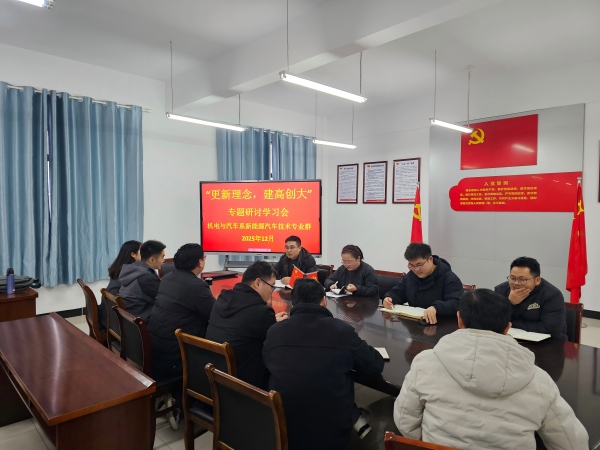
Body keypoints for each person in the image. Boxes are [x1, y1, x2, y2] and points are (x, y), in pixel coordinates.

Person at [394, 289, 588, 450]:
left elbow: (404, 420)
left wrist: (428, 443)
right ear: (507, 328)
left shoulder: (426, 362)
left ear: (459, 320)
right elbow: (573, 443)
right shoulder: (539, 380)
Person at [263, 279, 384, 449]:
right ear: (324, 301)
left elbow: (267, 362)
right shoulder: (341, 331)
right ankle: (356, 417)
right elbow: (374, 366)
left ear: (293, 303)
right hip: (331, 428)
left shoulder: (274, 331)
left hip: (284, 422)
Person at [205, 260, 288, 389]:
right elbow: (275, 347)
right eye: (271, 286)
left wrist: (272, 321)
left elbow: (244, 325)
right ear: (258, 283)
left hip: (214, 377)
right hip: (244, 387)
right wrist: (277, 325)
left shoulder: (222, 298)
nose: (272, 291)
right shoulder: (261, 312)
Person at [149, 243, 215, 382]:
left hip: (158, 349)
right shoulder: (196, 286)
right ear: (200, 262)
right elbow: (215, 316)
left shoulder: (167, 278)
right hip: (176, 358)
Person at [382, 243, 463, 324]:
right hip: (415, 324)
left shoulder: (449, 278)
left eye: (419, 264)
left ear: (430, 259)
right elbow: (399, 292)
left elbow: (457, 303)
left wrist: (436, 308)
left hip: (441, 325)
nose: (416, 269)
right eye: (412, 265)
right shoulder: (410, 276)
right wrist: (390, 298)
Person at [494, 256, 567, 340]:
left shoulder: (552, 295)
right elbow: (493, 320)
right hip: (509, 339)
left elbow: (550, 328)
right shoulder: (501, 290)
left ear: (537, 280)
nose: (516, 283)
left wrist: (510, 323)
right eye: (512, 278)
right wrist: (509, 303)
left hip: (548, 343)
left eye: (522, 279)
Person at [118, 239, 166, 322]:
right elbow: (164, 298)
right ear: (152, 260)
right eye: (162, 257)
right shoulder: (146, 277)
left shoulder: (133, 269)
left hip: (131, 316)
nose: (163, 261)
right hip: (141, 319)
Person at [101, 240, 141, 330]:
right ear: (133, 254)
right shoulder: (129, 271)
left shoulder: (119, 266)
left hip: (107, 312)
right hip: (115, 317)